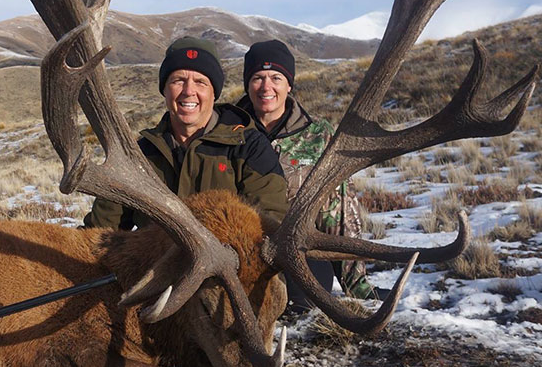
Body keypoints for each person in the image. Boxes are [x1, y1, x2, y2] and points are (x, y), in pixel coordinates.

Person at [84, 36, 288, 230]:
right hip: (153, 256)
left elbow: (269, 225)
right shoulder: (139, 155)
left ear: (214, 92)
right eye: (178, 80)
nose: (189, 91)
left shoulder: (250, 147)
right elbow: (99, 231)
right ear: (165, 89)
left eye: (200, 82)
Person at [236, 39, 376, 302]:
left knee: (306, 302)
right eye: (257, 78)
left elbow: (339, 211)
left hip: (297, 249)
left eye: (276, 78)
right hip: (242, 251)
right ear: (247, 84)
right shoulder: (227, 131)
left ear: (289, 84)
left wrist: (355, 284)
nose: (266, 87)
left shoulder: (319, 135)